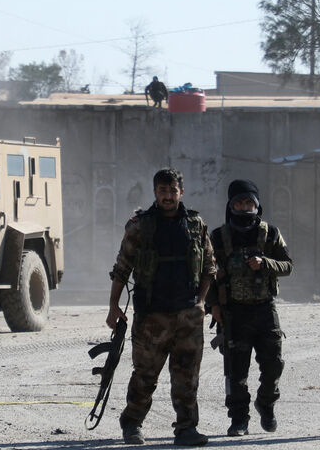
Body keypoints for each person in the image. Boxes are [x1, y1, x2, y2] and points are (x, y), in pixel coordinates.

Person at [106, 167, 217, 447]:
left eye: (172, 190)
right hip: (151, 316)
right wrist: (113, 306)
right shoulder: (140, 226)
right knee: (145, 375)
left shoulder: (195, 224)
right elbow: (122, 267)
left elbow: (210, 268)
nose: (168, 196)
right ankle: (132, 423)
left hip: (187, 315)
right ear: (155, 192)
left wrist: (201, 302)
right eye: (163, 191)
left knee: (187, 377)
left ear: (181, 191)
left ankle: (186, 428)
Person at [208, 179, 292, 436]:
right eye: (239, 203)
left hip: (265, 311)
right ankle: (239, 419)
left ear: (257, 206)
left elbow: (288, 265)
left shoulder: (271, 234)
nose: (244, 208)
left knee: (273, 364)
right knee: (236, 371)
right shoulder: (218, 237)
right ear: (231, 205)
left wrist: (265, 262)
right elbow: (208, 274)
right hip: (234, 313)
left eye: (249, 203)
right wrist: (213, 306)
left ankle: (266, 404)